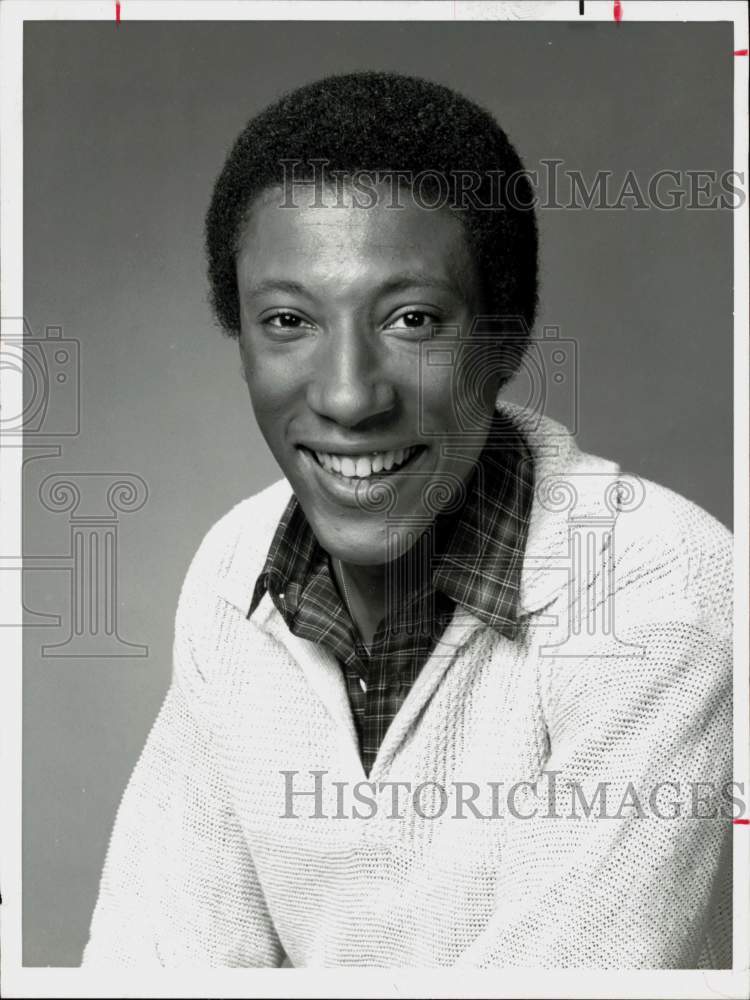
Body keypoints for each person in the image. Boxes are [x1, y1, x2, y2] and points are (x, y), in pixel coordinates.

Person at [83, 72, 733, 968]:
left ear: (506, 338)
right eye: (287, 320)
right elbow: (149, 963)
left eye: (413, 319)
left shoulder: (660, 591)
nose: (349, 395)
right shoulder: (236, 570)